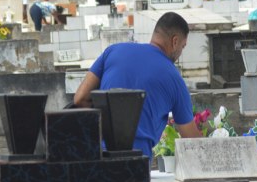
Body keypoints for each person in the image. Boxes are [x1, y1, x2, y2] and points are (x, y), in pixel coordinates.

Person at [73, 12, 202, 156]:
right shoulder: (174, 78)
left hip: (99, 156)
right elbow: (192, 139)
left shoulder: (113, 51)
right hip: (137, 163)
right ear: (175, 41)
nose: (180, 53)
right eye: (183, 47)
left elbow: (80, 98)